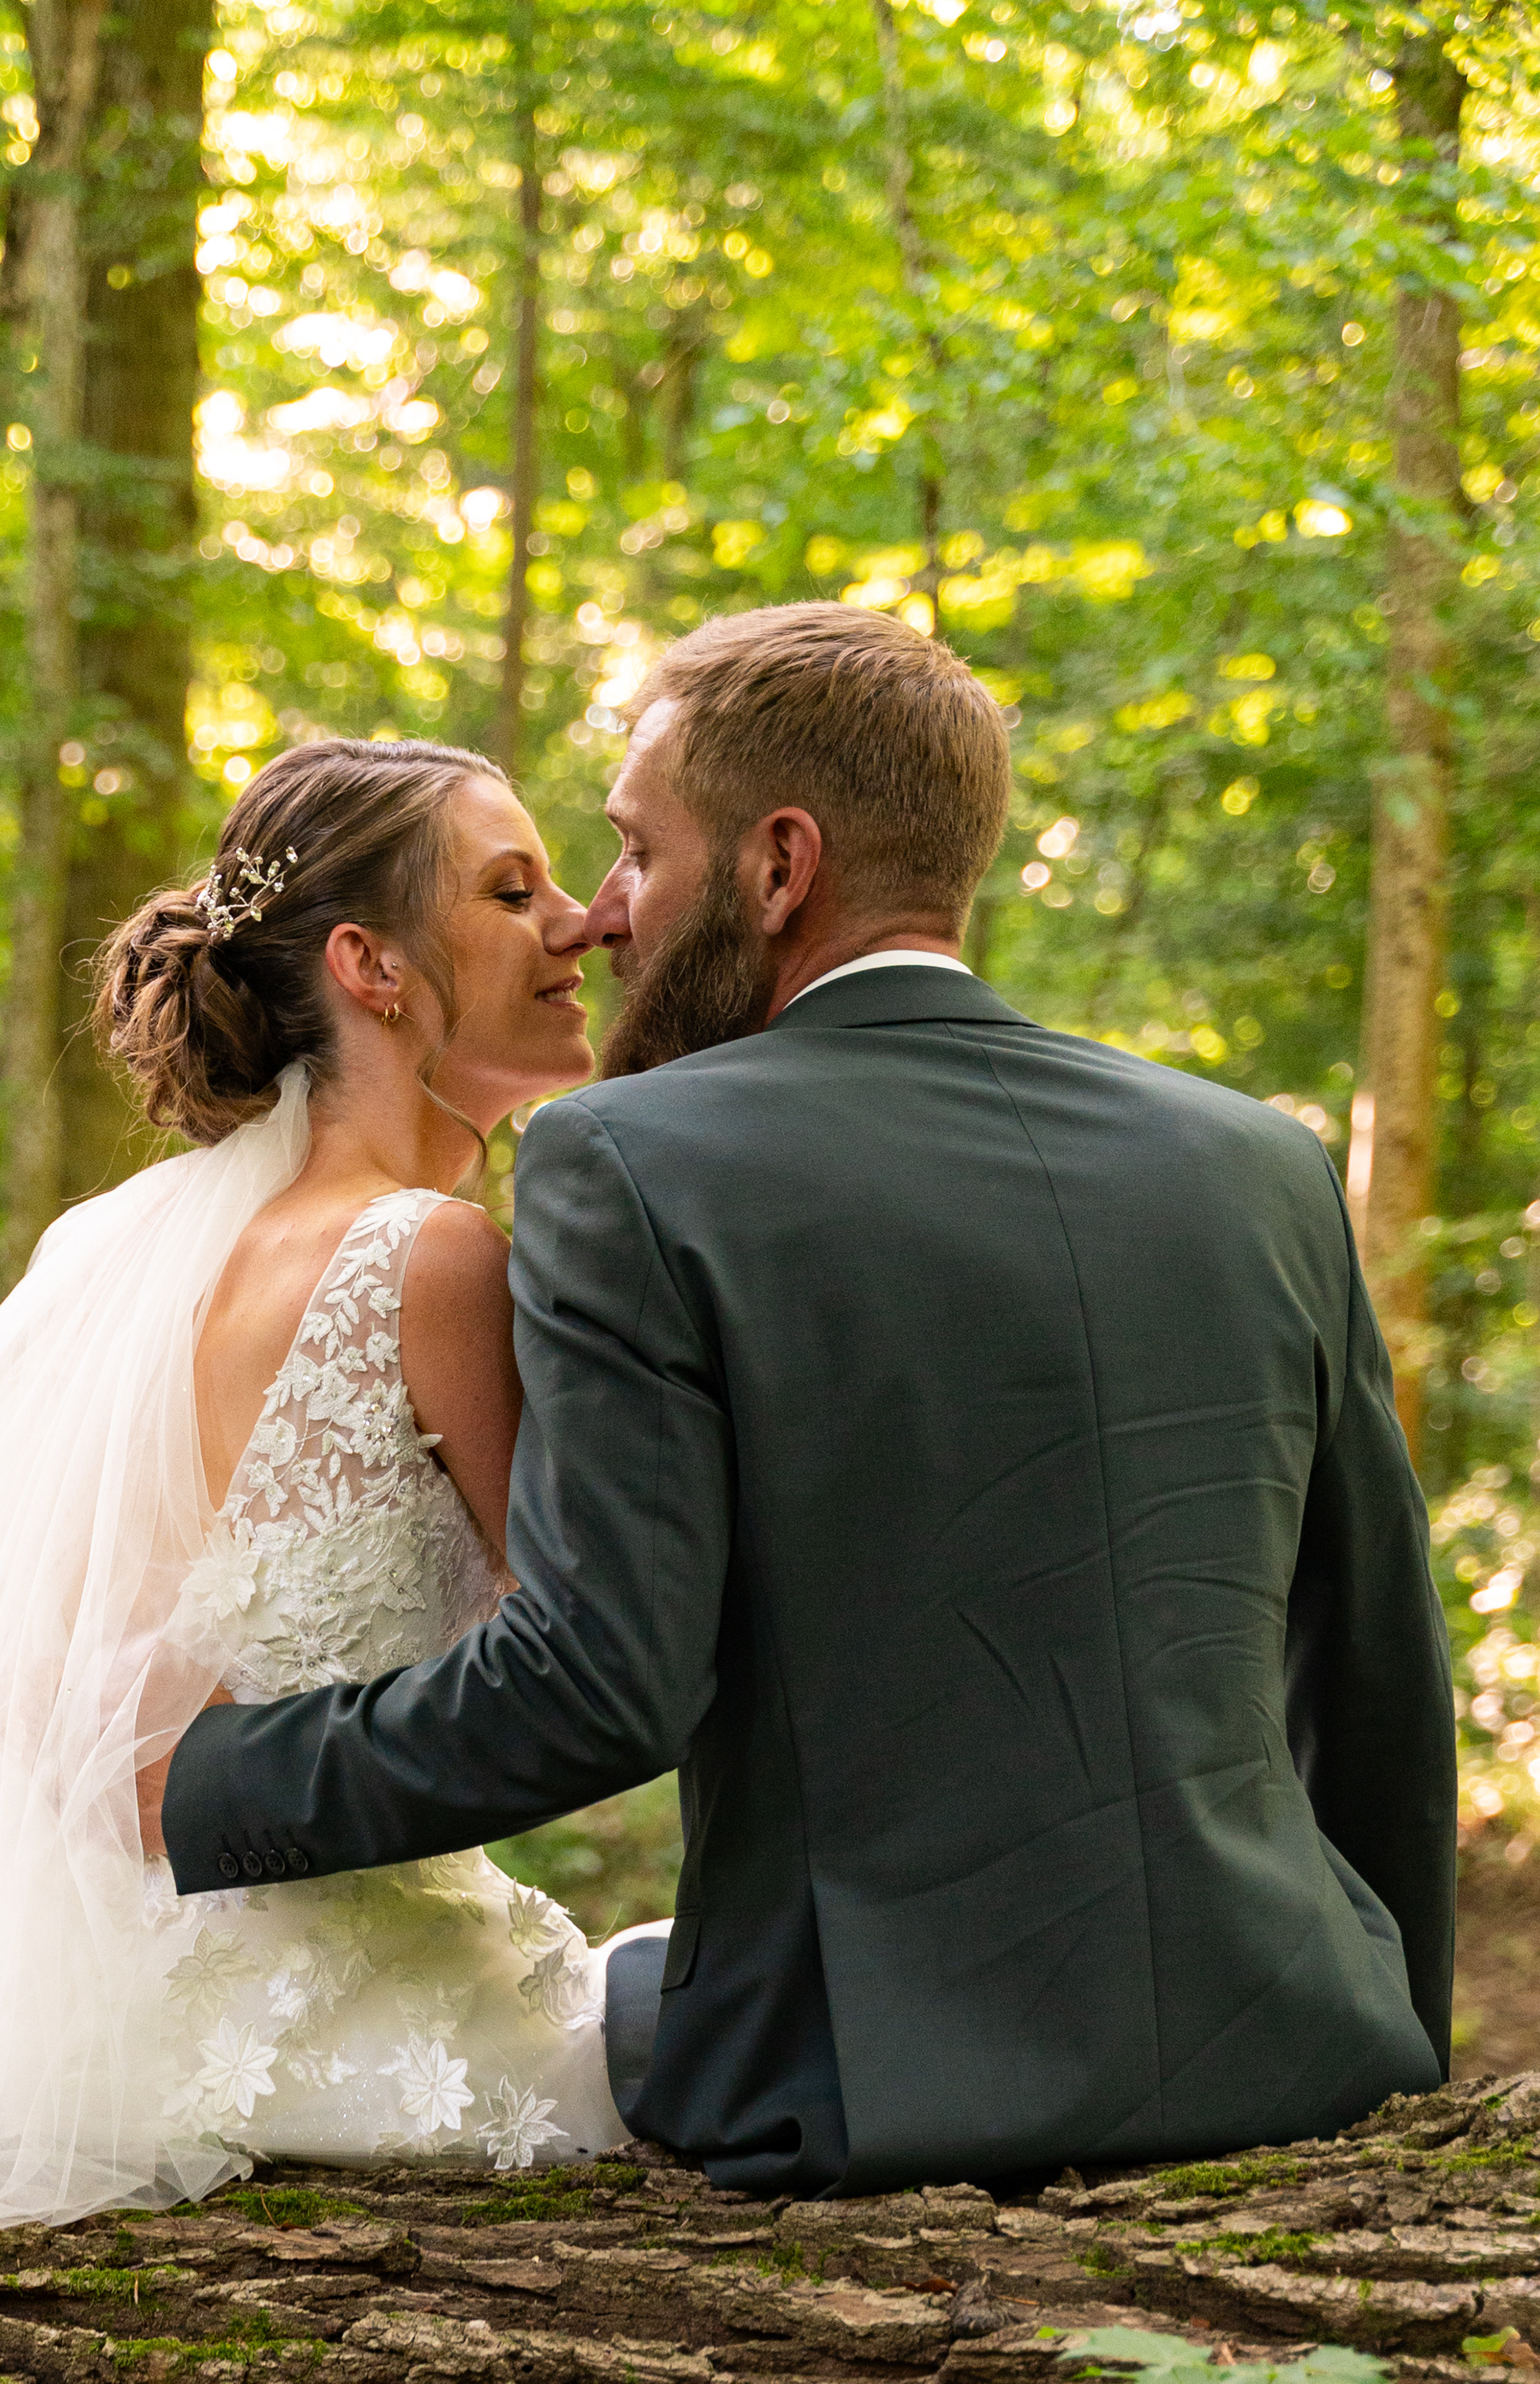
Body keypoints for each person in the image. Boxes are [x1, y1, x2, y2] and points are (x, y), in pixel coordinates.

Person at [151, 602, 1457, 2196]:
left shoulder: (632, 1161)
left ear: (780, 866)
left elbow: (599, 1690)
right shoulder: (1261, 1164)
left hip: (858, 2085)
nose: (605, 916)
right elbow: (1376, 1666)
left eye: (638, 851)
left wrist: (204, 1789)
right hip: (1296, 2039)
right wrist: (1396, 2028)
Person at [0, 735, 654, 2229]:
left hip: (89, 1984)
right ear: (373, 966)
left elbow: (49, 1672)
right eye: (512, 891)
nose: (579, 925)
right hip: (343, 1999)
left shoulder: (119, 1248)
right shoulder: (432, 1257)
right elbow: (592, 1641)